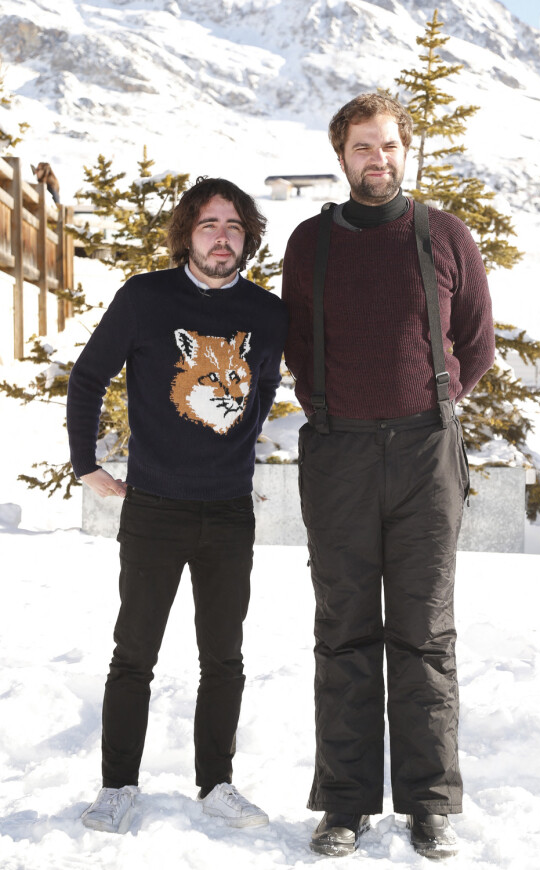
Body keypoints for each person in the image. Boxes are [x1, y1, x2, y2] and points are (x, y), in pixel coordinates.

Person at [281, 93, 495, 860]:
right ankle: (343, 804)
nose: (380, 159)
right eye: (365, 147)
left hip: (426, 454)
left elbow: (476, 339)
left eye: (392, 145)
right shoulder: (310, 244)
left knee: (425, 632)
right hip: (337, 454)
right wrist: (344, 405)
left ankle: (430, 804)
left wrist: (425, 397)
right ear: (343, 157)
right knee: (343, 632)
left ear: (409, 151)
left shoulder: (445, 235)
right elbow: (298, 343)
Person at [67, 176, 288, 834]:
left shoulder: (268, 314)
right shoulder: (146, 298)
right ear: (187, 234)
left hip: (228, 511)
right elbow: (88, 375)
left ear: (246, 237)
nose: (221, 238)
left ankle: (216, 783)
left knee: (224, 657)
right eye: (208, 225)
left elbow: (296, 387)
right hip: (155, 508)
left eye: (233, 227)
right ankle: (116, 786)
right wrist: (87, 464)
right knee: (133, 653)